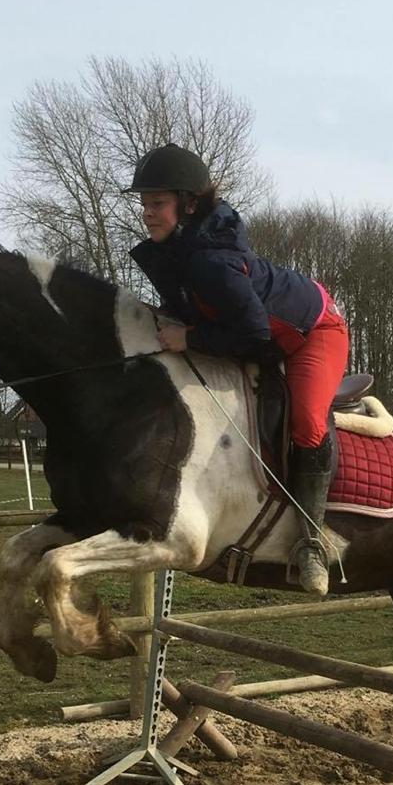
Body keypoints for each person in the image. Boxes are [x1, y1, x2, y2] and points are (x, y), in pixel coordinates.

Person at [127, 143, 348, 596]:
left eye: (158, 204)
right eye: (144, 204)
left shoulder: (211, 262)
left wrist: (189, 338)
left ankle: (310, 543)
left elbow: (252, 333)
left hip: (314, 332)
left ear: (188, 206)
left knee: (307, 424)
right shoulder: (177, 252)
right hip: (263, 339)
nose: (148, 213)